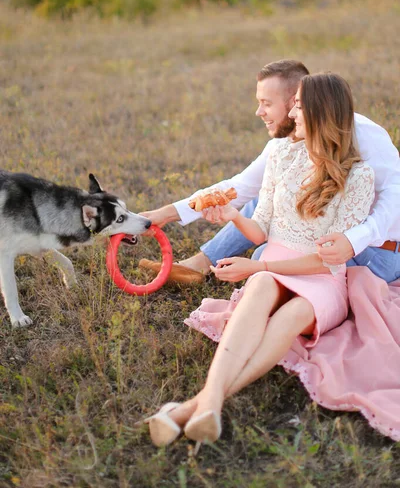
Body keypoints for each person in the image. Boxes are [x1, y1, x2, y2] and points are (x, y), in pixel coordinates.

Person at [144, 72, 382, 447]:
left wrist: (259, 265)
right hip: (273, 265)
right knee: (259, 290)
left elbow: (327, 263)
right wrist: (234, 217)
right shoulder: (282, 154)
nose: (293, 112)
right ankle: (208, 406)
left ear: (320, 112)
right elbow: (261, 231)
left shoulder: (359, 176)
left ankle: (195, 406)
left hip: (323, 280)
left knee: (289, 314)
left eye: (299, 105)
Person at [139, 60, 400, 285]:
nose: (258, 112)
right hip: (325, 240)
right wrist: (165, 214)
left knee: (262, 255)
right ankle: (199, 263)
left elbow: (395, 196)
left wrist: (352, 240)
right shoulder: (289, 145)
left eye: (266, 103)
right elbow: (240, 186)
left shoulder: (362, 133)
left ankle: (207, 264)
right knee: (268, 201)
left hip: (376, 251)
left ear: (294, 103)